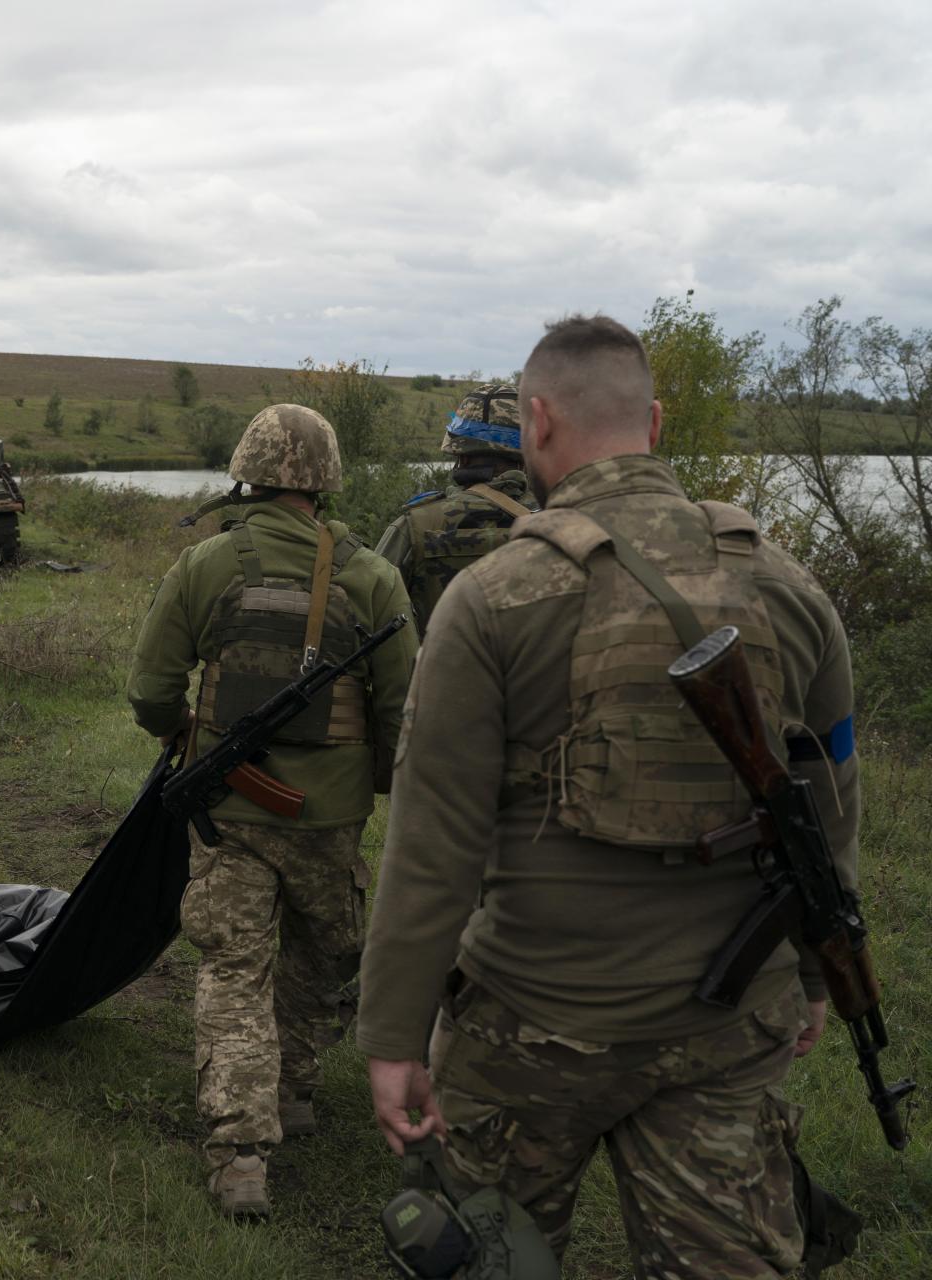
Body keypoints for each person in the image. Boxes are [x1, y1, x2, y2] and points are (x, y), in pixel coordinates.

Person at [358, 315, 858, 1276]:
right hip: (730, 1026)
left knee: (493, 1256)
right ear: (655, 421)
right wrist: (814, 976)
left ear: (537, 422)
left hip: (530, 1021)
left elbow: (433, 848)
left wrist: (391, 1036)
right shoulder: (792, 590)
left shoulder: (493, 599)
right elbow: (828, 808)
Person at [126, 405, 418, 1219]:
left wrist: (181, 730)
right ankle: (290, 1089)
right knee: (322, 954)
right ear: (326, 483)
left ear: (245, 475)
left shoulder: (207, 563)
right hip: (329, 820)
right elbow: (404, 714)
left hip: (229, 812)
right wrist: (366, 779)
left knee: (233, 969)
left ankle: (241, 1154)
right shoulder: (373, 577)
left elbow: (150, 689)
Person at [373, 383, 537, 636]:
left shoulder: (417, 524)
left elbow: (367, 614)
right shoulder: (560, 520)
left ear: (461, 456)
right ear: (526, 458)